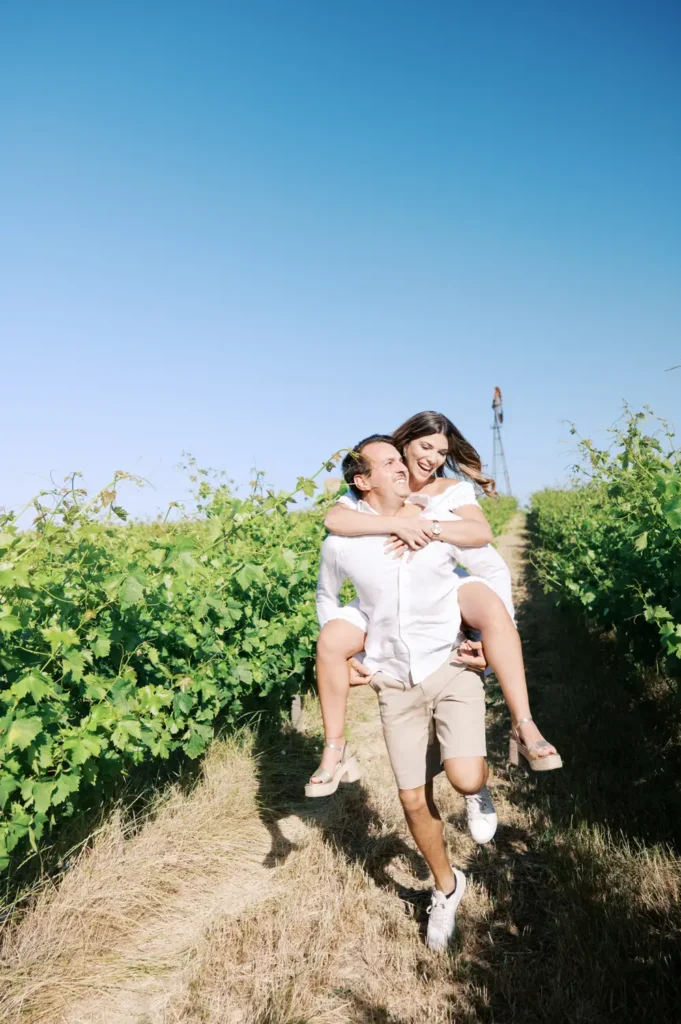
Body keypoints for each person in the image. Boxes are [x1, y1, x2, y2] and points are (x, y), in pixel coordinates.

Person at [307, 411, 561, 810]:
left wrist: (428, 527)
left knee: (489, 609)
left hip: (449, 582)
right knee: (332, 639)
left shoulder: (445, 492)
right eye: (425, 447)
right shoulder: (373, 480)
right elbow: (334, 518)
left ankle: (523, 726)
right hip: (384, 597)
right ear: (403, 445)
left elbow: (482, 537)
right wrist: (395, 524)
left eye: (441, 451)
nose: (432, 458)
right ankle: (336, 749)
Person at [315, 436, 499, 949]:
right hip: (394, 682)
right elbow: (328, 597)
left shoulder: (438, 521)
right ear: (362, 480)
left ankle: (476, 785)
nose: (404, 469)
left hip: (450, 666)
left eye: (402, 460)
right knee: (413, 801)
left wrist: (487, 639)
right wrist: (347, 653)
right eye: (390, 462)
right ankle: (447, 886)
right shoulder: (344, 542)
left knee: (464, 778)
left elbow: (487, 575)